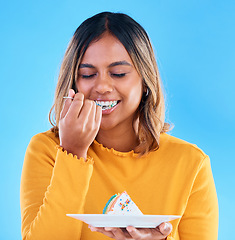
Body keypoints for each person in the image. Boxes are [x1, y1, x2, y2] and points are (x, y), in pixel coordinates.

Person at [20, 12, 218, 240]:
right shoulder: (46, 151)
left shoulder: (191, 164)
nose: (102, 86)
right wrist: (72, 153)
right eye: (87, 74)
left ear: (146, 81)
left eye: (118, 73)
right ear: (73, 82)